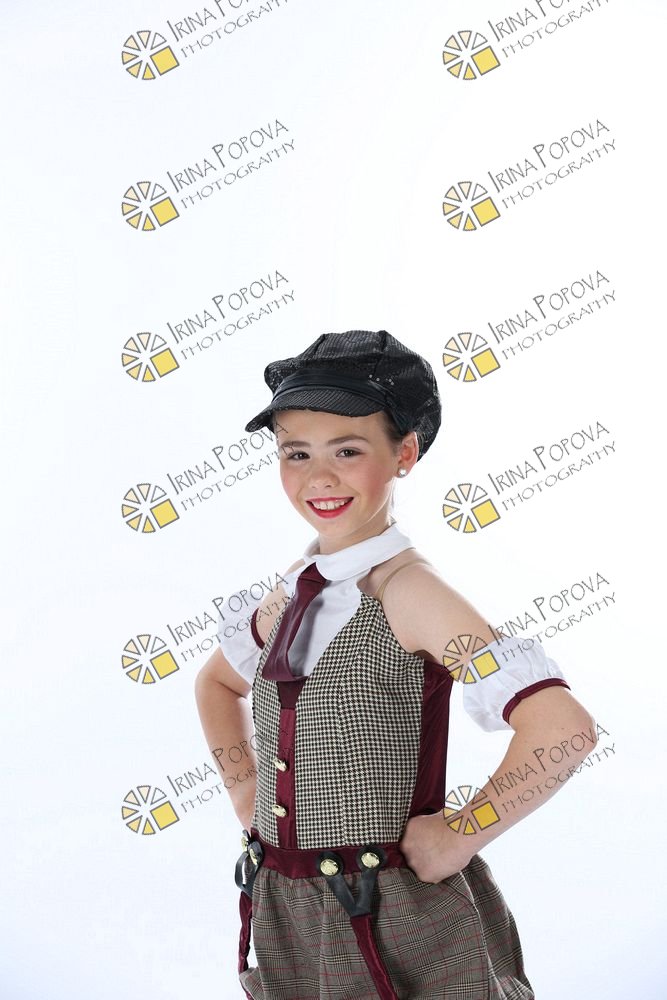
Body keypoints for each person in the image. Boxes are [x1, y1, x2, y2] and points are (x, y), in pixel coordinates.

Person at [194, 329, 598, 999]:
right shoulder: (293, 588)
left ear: (404, 453)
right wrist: (245, 790)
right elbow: (216, 682)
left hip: (396, 918)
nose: (319, 477)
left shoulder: (410, 594)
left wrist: (461, 833)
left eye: (348, 450)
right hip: (289, 913)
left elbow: (563, 730)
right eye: (296, 453)